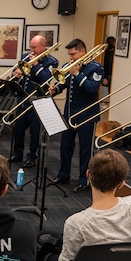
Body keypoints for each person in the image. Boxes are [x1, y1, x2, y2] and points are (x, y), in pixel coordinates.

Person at [39, 150, 131, 261]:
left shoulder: (77, 222)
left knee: (41, 245)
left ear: (88, 175)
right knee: (48, 235)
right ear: (122, 183)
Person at [49, 39, 104, 192]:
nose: (71, 57)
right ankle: (63, 174)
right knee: (65, 146)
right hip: (69, 114)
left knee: (85, 149)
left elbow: (92, 89)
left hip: (87, 115)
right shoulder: (68, 66)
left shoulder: (96, 68)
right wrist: (56, 89)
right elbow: (64, 83)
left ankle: (84, 179)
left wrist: (78, 74)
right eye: (69, 54)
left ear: (82, 52)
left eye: (73, 54)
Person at [9, 35, 57, 167]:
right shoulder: (26, 56)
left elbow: (46, 78)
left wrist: (35, 65)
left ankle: (32, 156)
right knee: (18, 129)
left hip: (37, 101)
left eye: (34, 47)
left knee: (35, 132)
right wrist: (15, 73)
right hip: (22, 99)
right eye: (31, 46)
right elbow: (16, 70)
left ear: (43, 46)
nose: (32, 49)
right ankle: (17, 153)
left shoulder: (52, 62)